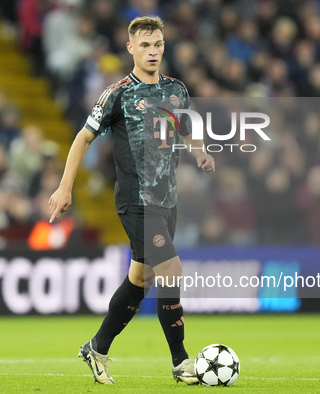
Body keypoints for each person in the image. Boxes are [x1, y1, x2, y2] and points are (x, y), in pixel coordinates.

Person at [47, 16, 215, 385]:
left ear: (164, 46)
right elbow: (83, 139)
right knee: (171, 270)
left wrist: (200, 152)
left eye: (157, 45)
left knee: (142, 278)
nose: (152, 51)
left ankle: (97, 347)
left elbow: (187, 132)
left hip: (166, 200)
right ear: (130, 49)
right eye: (144, 46)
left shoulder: (177, 91)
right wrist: (65, 187)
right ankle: (181, 361)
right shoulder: (119, 93)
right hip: (134, 200)